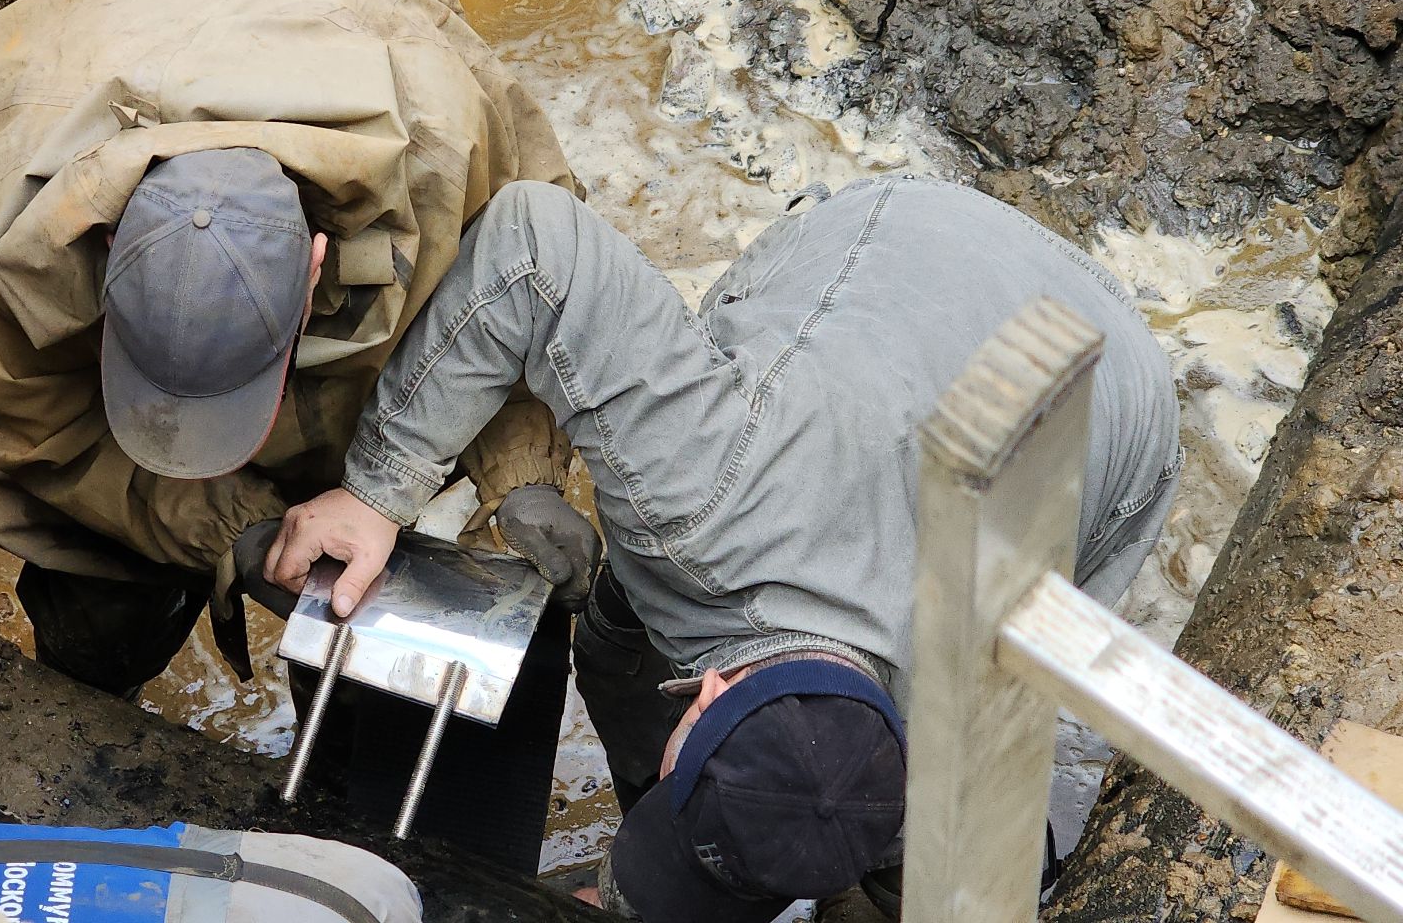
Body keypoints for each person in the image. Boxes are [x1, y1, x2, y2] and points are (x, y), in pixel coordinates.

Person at [259, 175, 1182, 919]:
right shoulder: (699, 489)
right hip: (904, 242)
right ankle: (687, 841)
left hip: (1113, 396)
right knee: (619, 629)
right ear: (706, 691)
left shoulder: (955, 744)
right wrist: (378, 490)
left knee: (955, 877)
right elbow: (537, 248)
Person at [0, 0, 600, 869]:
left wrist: (519, 481)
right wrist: (239, 534)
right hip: (78, 65)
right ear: (107, 252)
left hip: (337, 20)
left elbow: (532, 283)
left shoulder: (446, 133)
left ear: (320, 265)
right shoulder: (5, 220)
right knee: (94, 588)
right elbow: (42, 438)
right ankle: (87, 689)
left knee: (362, 589)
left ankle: (342, 777)